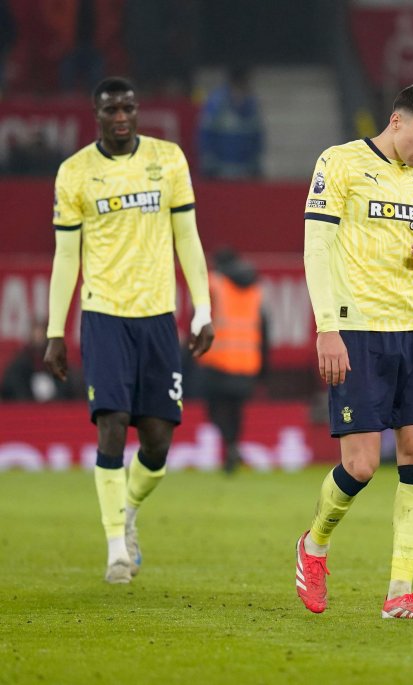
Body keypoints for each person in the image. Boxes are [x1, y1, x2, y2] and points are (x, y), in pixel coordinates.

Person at [44, 77, 214, 584]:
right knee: (112, 421)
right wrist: (56, 330)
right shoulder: (75, 173)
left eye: (128, 107)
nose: (120, 116)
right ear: (96, 115)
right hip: (103, 314)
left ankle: (130, 510)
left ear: (137, 111)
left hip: (159, 315)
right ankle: (116, 546)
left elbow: (188, 238)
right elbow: (66, 255)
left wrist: (202, 309)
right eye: (110, 109)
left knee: (158, 443)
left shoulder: (169, 161)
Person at [296, 83, 413, 620]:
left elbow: (410, 253)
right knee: (361, 466)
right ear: (396, 121)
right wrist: (327, 328)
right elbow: (316, 247)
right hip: (357, 328)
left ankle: (400, 592)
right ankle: (314, 545)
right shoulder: (338, 163)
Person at [197, 248, 267, 473]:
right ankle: (233, 446)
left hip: (218, 361)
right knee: (236, 411)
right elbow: (264, 328)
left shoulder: (215, 284)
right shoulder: (254, 288)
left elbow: (200, 318)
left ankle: (230, 446)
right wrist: (264, 367)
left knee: (215, 410)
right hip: (247, 362)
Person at [197, 65, 264, 179]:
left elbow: (257, 137)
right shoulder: (216, 102)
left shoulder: (251, 103)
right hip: (219, 172)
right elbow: (205, 135)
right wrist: (209, 165)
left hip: (244, 173)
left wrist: (254, 167)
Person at [1, 319, 77, 401]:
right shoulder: (19, 364)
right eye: (36, 334)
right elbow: (12, 387)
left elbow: (67, 387)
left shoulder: (57, 362)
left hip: (54, 410)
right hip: (26, 409)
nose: (38, 338)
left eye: (41, 334)